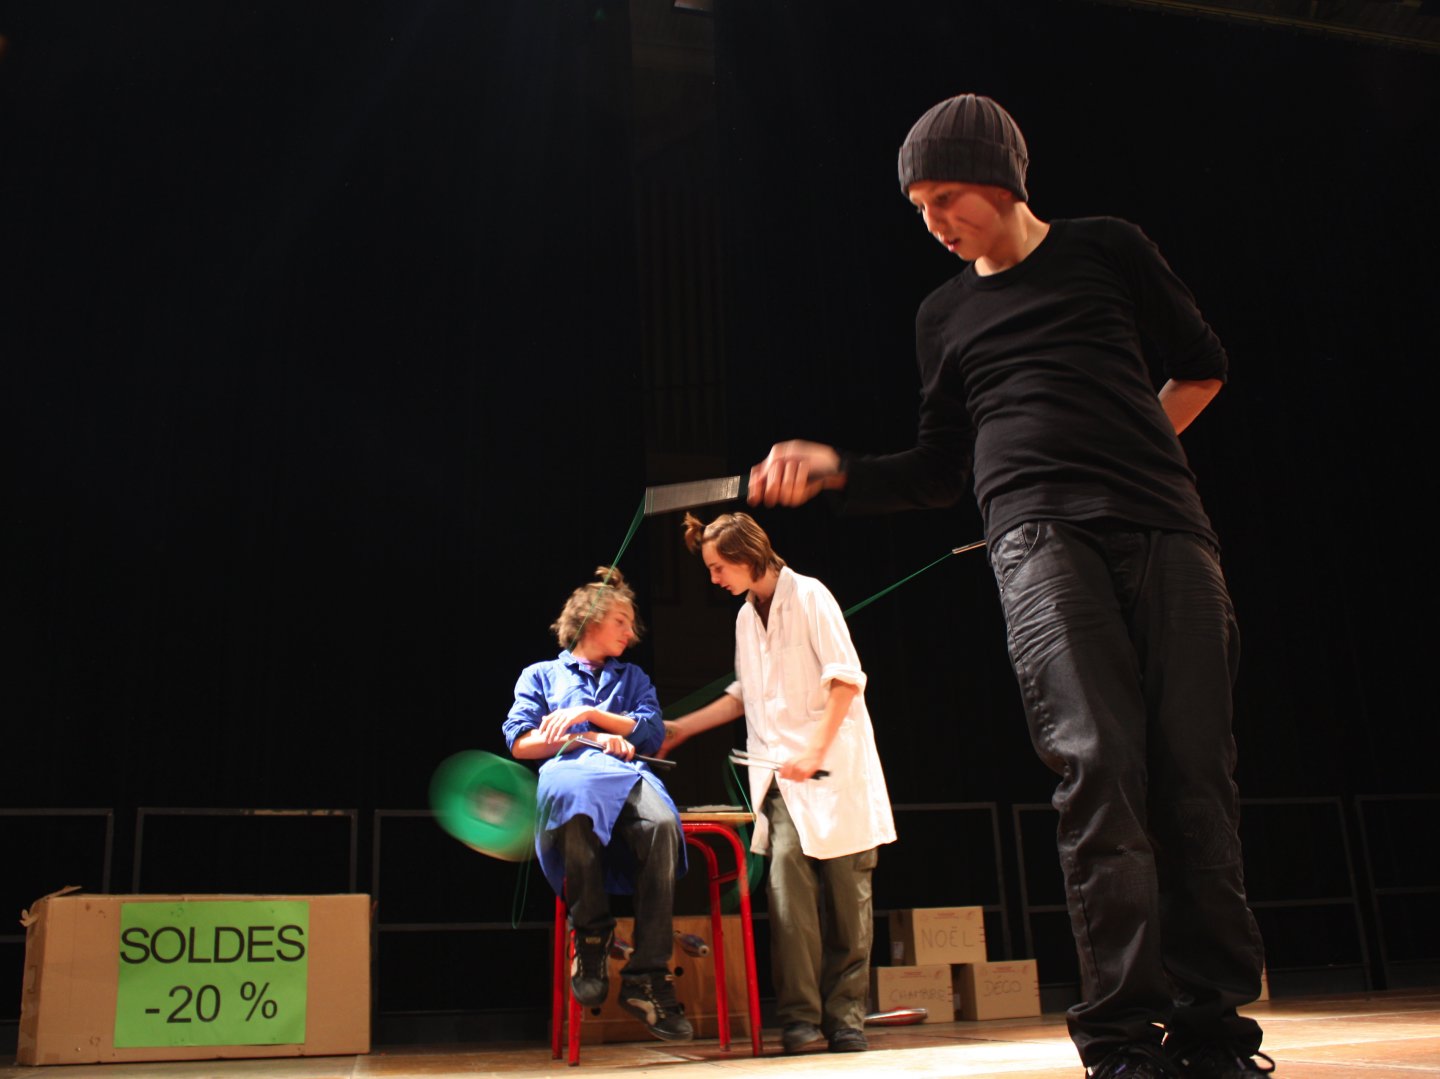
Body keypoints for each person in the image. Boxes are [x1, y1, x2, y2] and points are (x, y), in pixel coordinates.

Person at [744, 94, 1271, 1078]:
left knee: (1196, 774)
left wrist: (1130, 446)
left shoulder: (1108, 249)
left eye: (947, 197)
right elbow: (940, 469)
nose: (935, 222)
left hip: (1165, 529)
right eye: (919, 207)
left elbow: (1201, 367)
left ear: (1002, 180)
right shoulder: (943, 315)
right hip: (1037, 541)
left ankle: (1214, 1032)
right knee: (1100, 768)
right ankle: (1122, 1038)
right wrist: (839, 468)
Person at [662, 511, 896, 1056]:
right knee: (789, 903)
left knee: (848, 903)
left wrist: (814, 750)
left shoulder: (811, 596)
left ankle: (846, 1019)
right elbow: (745, 694)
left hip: (835, 772)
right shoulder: (746, 618)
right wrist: (682, 728)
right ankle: (800, 1020)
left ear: (747, 557)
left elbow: (845, 680)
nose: (714, 578)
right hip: (781, 783)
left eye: (718, 567)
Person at [502, 565, 693, 1042]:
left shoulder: (633, 677)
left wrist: (592, 716)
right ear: (589, 620)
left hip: (627, 775)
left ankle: (647, 973)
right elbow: (521, 743)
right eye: (621, 621)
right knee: (573, 811)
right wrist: (585, 738)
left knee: (662, 826)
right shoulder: (541, 675)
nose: (631, 633)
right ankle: (590, 935)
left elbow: (651, 730)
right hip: (570, 774)